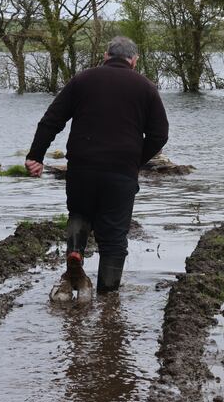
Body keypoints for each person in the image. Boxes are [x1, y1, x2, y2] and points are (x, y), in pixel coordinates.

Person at [24, 36, 169, 302]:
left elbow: (50, 121)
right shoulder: (146, 87)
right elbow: (160, 135)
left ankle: (76, 251)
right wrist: (135, 160)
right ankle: (107, 297)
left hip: (82, 168)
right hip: (120, 174)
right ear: (134, 60)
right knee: (114, 237)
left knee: (80, 212)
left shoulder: (82, 80)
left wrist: (36, 156)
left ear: (105, 56)